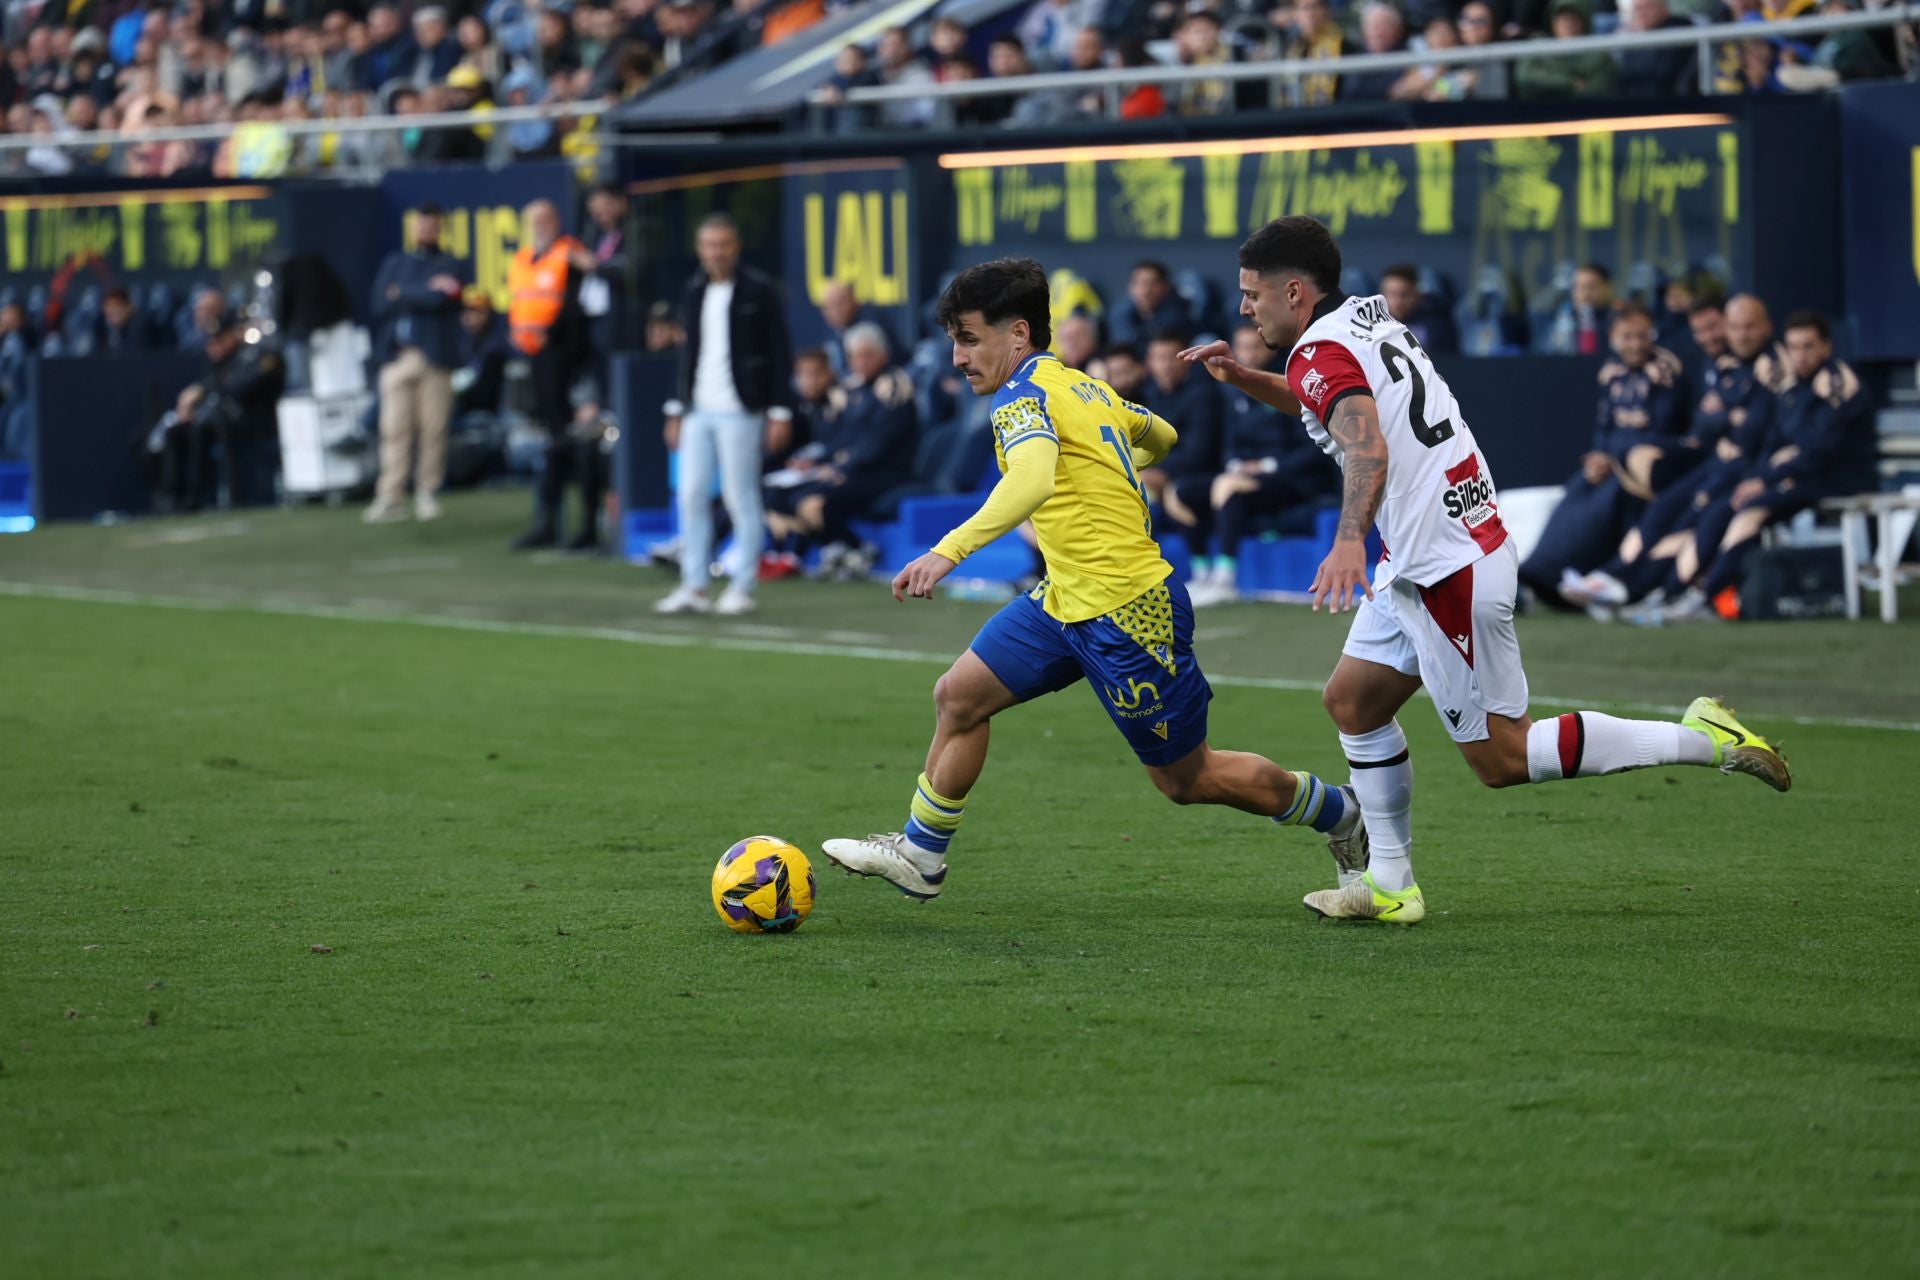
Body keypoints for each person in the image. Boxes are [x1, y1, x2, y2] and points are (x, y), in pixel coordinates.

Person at [1178, 216, 1791, 924]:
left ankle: (1705, 737)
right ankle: (1389, 884)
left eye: (1254, 294)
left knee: (1503, 758)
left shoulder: (1319, 353)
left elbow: (1366, 445)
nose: (1246, 306)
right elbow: (1335, 401)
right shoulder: (1362, 321)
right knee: (1353, 702)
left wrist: (1348, 539)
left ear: (1295, 292)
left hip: (1447, 567)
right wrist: (1245, 377)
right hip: (1431, 553)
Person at [819, 257, 1372, 902]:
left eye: (969, 338)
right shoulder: (1085, 388)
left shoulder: (1021, 398)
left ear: (1018, 335)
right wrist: (1112, 464)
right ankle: (921, 852)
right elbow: (1160, 434)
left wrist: (948, 553)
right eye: (953, 340)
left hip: (1128, 610)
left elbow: (1030, 479)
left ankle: (1342, 813)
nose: (957, 356)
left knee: (1187, 779)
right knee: (959, 696)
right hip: (1062, 601)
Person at [1637, 310, 1875, 623]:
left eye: (1808, 346)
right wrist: (1760, 476)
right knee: (1720, 509)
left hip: (1835, 479)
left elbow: (1818, 452)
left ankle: (1709, 599)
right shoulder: (1791, 386)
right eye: (1793, 347)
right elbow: (1774, 443)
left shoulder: (1836, 383)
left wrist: (1766, 479)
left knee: (1748, 513)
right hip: (1794, 476)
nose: (1800, 355)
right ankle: (1676, 591)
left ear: (1826, 348)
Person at [1564, 295, 1784, 614]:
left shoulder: (1773, 366)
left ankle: (1653, 591)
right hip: (1719, 463)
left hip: (1750, 471)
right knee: (1663, 508)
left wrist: (1729, 422)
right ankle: (1613, 579)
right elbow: (1705, 426)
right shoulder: (1728, 365)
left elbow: (1759, 430)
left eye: (1749, 326)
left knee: (1698, 518)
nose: (1740, 334)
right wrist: (1727, 419)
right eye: (1735, 327)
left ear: (1767, 327)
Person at [656, 212, 794, 615]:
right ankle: (695, 586)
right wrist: (675, 409)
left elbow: (780, 352)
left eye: (723, 244)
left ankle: (741, 586)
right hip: (698, 409)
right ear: (699, 250)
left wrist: (780, 411)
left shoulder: (759, 291)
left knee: (740, 496)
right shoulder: (693, 290)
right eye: (709, 245)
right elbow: (688, 355)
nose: (715, 253)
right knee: (691, 495)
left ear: (735, 247)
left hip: (741, 409)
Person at [1520, 304, 1690, 606]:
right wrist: (1598, 457)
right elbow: (1605, 426)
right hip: (1611, 463)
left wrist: (1615, 459)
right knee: (1578, 488)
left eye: (1642, 336)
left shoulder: (1665, 371)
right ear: (1613, 337)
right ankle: (1539, 574)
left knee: (1607, 501)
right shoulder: (1612, 372)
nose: (1635, 344)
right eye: (1627, 337)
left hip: (1648, 470)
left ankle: (1583, 582)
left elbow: (1663, 431)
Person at [1186, 324, 1340, 606]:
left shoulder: (1288, 382)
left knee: (1229, 490)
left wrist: (1265, 466)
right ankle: (1202, 571)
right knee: (1183, 492)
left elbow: (1313, 450)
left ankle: (1225, 577)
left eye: (1255, 346)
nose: (1249, 353)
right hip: (1243, 476)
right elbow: (1230, 443)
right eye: (1243, 347)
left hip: (1291, 479)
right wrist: (1236, 466)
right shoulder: (1233, 391)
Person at [763, 323, 916, 578]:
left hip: (884, 473)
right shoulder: (852, 389)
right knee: (778, 495)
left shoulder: (894, 386)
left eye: (867, 355)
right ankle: (834, 548)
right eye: (855, 355)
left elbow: (882, 443)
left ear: (883, 355)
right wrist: (816, 462)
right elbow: (840, 439)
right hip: (852, 469)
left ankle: (858, 548)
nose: (861, 362)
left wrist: (839, 468)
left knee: (814, 504)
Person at [506, 198, 597, 551]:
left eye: (546, 218)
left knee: (579, 441)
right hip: (535, 359)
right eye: (534, 220)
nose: (540, 225)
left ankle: (587, 523)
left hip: (567, 358)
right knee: (551, 441)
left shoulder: (568, 253)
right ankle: (547, 522)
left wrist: (554, 334)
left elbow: (576, 305)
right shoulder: (523, 257)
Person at [366, 203, 465, 523]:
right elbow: (380, 302)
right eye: (421, 226)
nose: (425, 231)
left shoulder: (451, 262)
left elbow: (441, 300)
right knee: (393, 428)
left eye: (431, 226)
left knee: (433, 428)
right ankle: (391, 494)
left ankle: (427, 492)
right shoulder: (396, 262)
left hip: (433, 356)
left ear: (440, 229)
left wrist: (404, 293)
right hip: (397, 355)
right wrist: (422, 290)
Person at [147, 320, 285, 512]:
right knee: (176, 433)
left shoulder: (254, 355)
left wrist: (203, 390)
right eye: (211, 343)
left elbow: (239, 387)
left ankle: (206, 496)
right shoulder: (216, 365)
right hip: (218, 421)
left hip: (251, 422)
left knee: (204, 428)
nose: (215, 347)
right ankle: (172, 497)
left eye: (220, 341)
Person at [1139, 330, 1225, 580]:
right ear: (1149, 362)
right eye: (1158, 358)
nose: (1165, 365)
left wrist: (1157, 473)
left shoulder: (1203, 395)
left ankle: (1194, 570)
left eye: (1170, 357)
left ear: (1186, 360)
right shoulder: (1150, 395)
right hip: (1161, 474)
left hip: (1201, 475)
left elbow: (1199, 454)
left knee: (1153, 489)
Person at [1106, 261, 1193, 346]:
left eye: (1152, 283)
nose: (1145, 291)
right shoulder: (1120, 314)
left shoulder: (1178, 314)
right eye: (1139, 283)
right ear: (1130, 287)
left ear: (1165, 287)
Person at [1379, 264, 1458, 355]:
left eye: (1404, 295)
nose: (1398, 302)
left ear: (1419, 296)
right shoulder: (1370, 328)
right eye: (1392, 294)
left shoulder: (1438, 329)